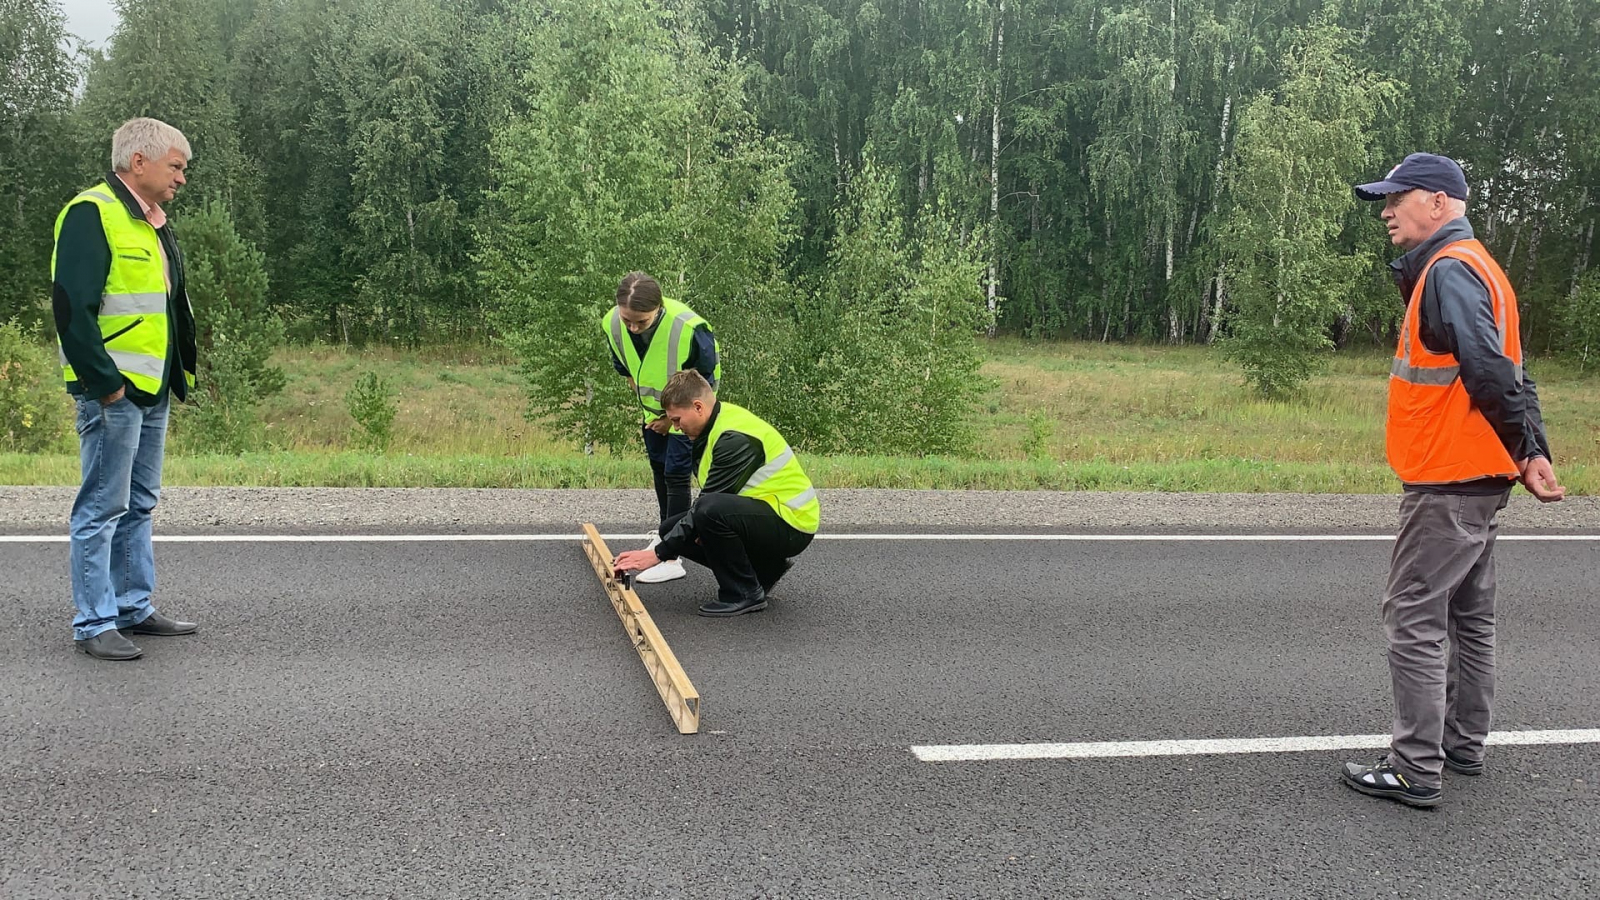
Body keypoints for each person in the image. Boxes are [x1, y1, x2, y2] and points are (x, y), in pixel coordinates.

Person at [1341, 153, 1565, 807]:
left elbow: (1489, 371)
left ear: (1437, 203)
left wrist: (1527, 450)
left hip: (1447, 476)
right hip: (1480, 476)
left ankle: (1415, 765)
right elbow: (1514, 371)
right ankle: (1461, 744)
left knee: (1412, 613)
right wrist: (1533, 449)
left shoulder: (1450, 270)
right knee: (1469, 615)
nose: (1385, 212)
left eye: (1395, 199)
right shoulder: (1476, 267)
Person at [52, 117, 199, 661]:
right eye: (176, 167)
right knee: (101, 506)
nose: (182, 178)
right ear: (139, 161)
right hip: (112, 390)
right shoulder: (93, 213)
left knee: (139, 502)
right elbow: (71, 309)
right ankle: (94, 622)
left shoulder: (152, 223)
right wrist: (105, 386)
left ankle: (133, 607)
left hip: (152, 388)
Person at [612, 371, 819, 617]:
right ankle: (762, 572)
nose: (676, 428)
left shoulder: (734, 437)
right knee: (671, 527)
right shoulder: (714, 425)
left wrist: (657, 554)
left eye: (677, 420)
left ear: (698, 407)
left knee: (709, 512)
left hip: (792, 523)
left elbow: (707, 505)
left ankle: (744, 593)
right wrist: (669, 542)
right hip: (765, 515)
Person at [604, 272, 721, 584]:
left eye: (641, 322)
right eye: (628, 319)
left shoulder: (689, 329)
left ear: (658, 309)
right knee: (659, 468)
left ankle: (671, 557)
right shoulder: (613, 324)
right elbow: (626, 369)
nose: (632, 327)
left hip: (689, 412)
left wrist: (672, 420)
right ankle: (664, 532)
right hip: (654, 415)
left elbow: (705, 384)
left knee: (676, 473)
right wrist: (653, 414)